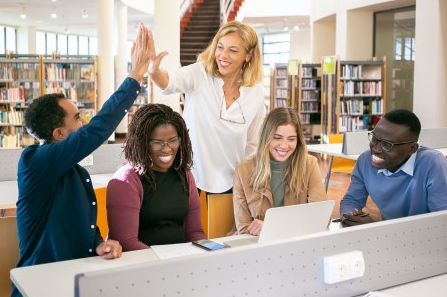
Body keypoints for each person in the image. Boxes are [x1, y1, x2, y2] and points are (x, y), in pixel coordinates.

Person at [11, 24, 152, 297]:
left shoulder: (72, 170)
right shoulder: (35, 162)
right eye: (77, 118)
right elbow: (96, 131)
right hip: (41, 284)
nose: (84, 122)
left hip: (75, 277)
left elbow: (78, 221)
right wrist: (135, 75)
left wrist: (98, 243)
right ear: (59, 134)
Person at [148, 21, 266, 195]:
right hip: (189, 177)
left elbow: (253, 143)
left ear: (248, 55)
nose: (223, 55)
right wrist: (153, 70)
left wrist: (246, 180)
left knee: (223, 224)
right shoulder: (200, 74)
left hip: (232, 182)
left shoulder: (255, 92)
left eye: (233, 50)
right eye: (220, 47)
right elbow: (169, 81)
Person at [106, 103, 205, 251]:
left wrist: (207, 253)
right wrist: (167, 262)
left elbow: (195, 232)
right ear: (142, 143)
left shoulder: (185, 174)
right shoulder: (125, 180)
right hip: (141, 266)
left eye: (172, 140)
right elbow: (126, 243)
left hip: (178, 262)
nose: (166, 149)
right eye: (157, 143)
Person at [340, 109, 447, 226]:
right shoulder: (365, 160)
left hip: (426, 238)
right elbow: (351, 200)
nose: (376, 149)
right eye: (375, 139)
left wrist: (374, 228)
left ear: (412, 149)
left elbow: (441, 222)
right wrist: (351, 215)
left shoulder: (432, 163)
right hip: (390, 237)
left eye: (387, 145)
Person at [231, 107, 327, 235]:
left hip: (296, 242)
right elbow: (244, 228)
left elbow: (322, 219)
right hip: (256, 245)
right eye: (277, 138)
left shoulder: (310, 165)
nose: (284, 145)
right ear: (267, 137)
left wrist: (272, 227)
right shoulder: (243, 170)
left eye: (291, 139)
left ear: (298, 141)